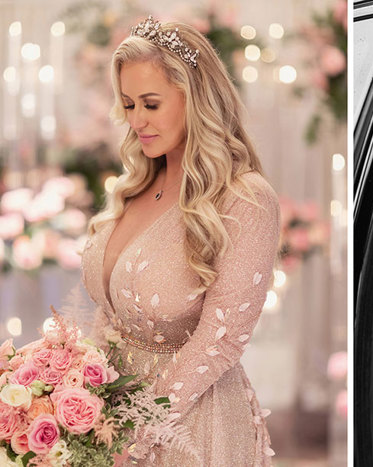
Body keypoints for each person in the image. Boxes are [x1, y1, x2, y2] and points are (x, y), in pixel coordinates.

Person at [80, 16, 279, 465]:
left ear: (196, 99)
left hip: (191, 425)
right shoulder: (133, 186)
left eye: (151, 104)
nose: (136, 121)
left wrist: (140, 432)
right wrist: (79, 391)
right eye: (129, 105)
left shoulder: (244, 198)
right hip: (108, 420)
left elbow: (221, 338)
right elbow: (107, 314)